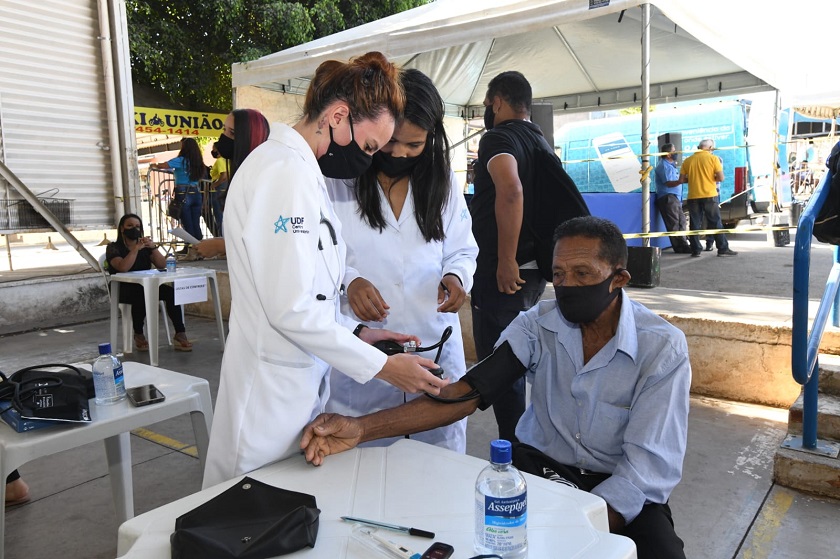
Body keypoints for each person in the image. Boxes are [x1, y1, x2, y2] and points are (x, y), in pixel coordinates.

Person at [301, 216, 691, 559]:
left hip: (618, 484)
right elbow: (466, 394)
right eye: (558, 274)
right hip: (541, 472)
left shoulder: (660, 347)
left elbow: (644, 470)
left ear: (618, 279)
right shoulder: (537, 325)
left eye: (583, 274)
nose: (566, 285)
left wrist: (580, 523)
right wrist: (361, 429)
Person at [202, 52, 449, 488]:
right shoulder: (283, 174)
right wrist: (384, 368)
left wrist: (359, 334)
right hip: (267, 397)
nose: (370, 159)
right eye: (370, 146)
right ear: (338, 116)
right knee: (243, 519)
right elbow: (291, 309)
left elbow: (309, 291)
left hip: (295, 388)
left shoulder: (301, 174)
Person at [324, 69, 478, 452]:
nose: (400, 154)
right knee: (362, 454)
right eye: (391, 143)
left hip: (433, 338)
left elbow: (462, 248)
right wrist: (351, 280)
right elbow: (323, 251)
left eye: (414, 145)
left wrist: (456, 277)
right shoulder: (339, 182)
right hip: (365, 351)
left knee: (437, 459)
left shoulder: (442, 185)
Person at [470, 70, 548, 442]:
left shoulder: (498, 138)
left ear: (498, 101)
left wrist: (505, 259)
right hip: (535, 273)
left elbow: (511, 191)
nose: (488, 110)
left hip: (506, 273)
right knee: (521, 356)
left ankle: (515, 453)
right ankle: (524, 445)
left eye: (488, 104)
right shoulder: (539, 140)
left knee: (501, 366)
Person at [105, 214, 192, 351]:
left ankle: (180, 333)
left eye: (137, 226)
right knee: (142, 294)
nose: (134, 229)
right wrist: (135, 249)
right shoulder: (113, 247)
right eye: (130, 226)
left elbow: (162, 265)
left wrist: (153, 247)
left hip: (146, 284)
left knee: (171, 293)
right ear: (122, 229)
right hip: (122, 287)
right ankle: (139, 333)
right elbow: (123, 267)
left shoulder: (145, 247)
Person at [196, 108, 270, 259]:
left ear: (249, 138)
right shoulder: (242, 173)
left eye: (233, 133)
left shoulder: (261, 177)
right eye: (224, 130)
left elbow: (267, 237)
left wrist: (219, 246)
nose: (224, 137)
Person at [680, 139, 737, 257]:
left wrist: (695, 179)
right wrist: (708, 178)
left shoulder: (688, 160)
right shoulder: (713, 159)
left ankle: (695, 250)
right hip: (709, 195)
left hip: (693, 196)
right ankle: (722, 248)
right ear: (710, 147)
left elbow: (681, 180)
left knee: (694, 224)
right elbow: (721, 178)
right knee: (715, 222)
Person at [151, 137, 205, 249]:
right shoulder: (198, 162)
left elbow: (164, 165)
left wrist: (154, 166)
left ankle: (190, 248)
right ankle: (201, 248)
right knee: (195, 222)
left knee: (187, 222)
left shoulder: (181, 160)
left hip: (183, 192)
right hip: (196, 192)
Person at [654, 143, 690, 254]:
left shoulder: (671, 165)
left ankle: (683, 244)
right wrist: (681, 180)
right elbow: (669, 183)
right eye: (674, 151)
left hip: (675, 197)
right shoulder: (663, 166)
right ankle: (680, 247)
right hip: (668, 197)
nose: (677, 153)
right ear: (669, 154)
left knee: (681, 221)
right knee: (674, 223)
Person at [207, 142, 228, 237]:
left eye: (213, 149)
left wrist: (215, 184)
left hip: (219, 189)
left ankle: (222, 238)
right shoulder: (226, 160)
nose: (213, 151)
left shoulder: (220, 161)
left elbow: (224, 175)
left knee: (219, 216)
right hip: (224, 188)